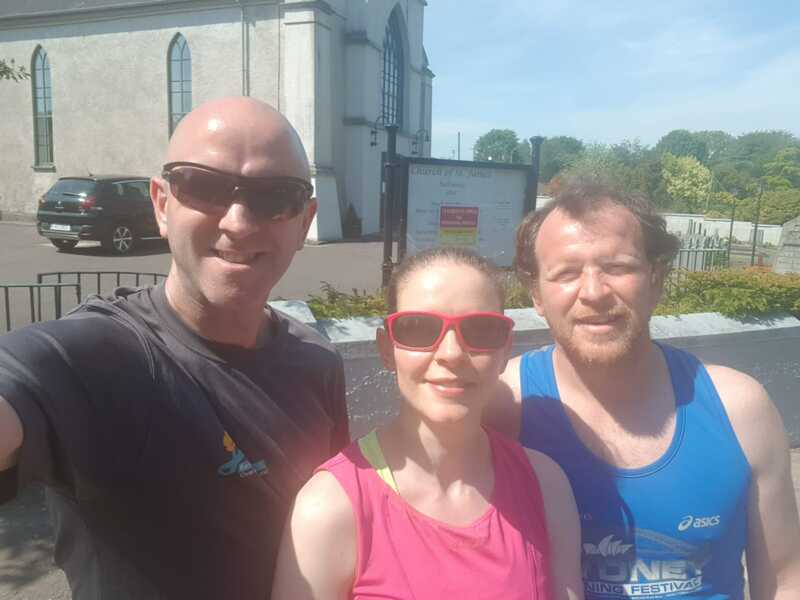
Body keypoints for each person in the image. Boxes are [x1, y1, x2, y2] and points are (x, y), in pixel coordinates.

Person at [0, 97, 349, 599]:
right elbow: (22, 381)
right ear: (162, 205)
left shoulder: (317, 362)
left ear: (303, 220)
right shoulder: (100, 354)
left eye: (275, 197)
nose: (238, 222)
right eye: (204, 187)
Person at [484, 176, 800, 599]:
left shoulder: (740, 409)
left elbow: (784, 579)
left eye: (617, 267)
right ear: (536, 295)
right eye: (566, 273)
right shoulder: (502, 406)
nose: (594, 292)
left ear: (656, 279)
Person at [272, 247, 584, 600]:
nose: (451, 354)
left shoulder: (545, 486)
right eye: (418, 329)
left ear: (504, 349)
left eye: (481, 330)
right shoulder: (330, 508)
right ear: (386, 349)